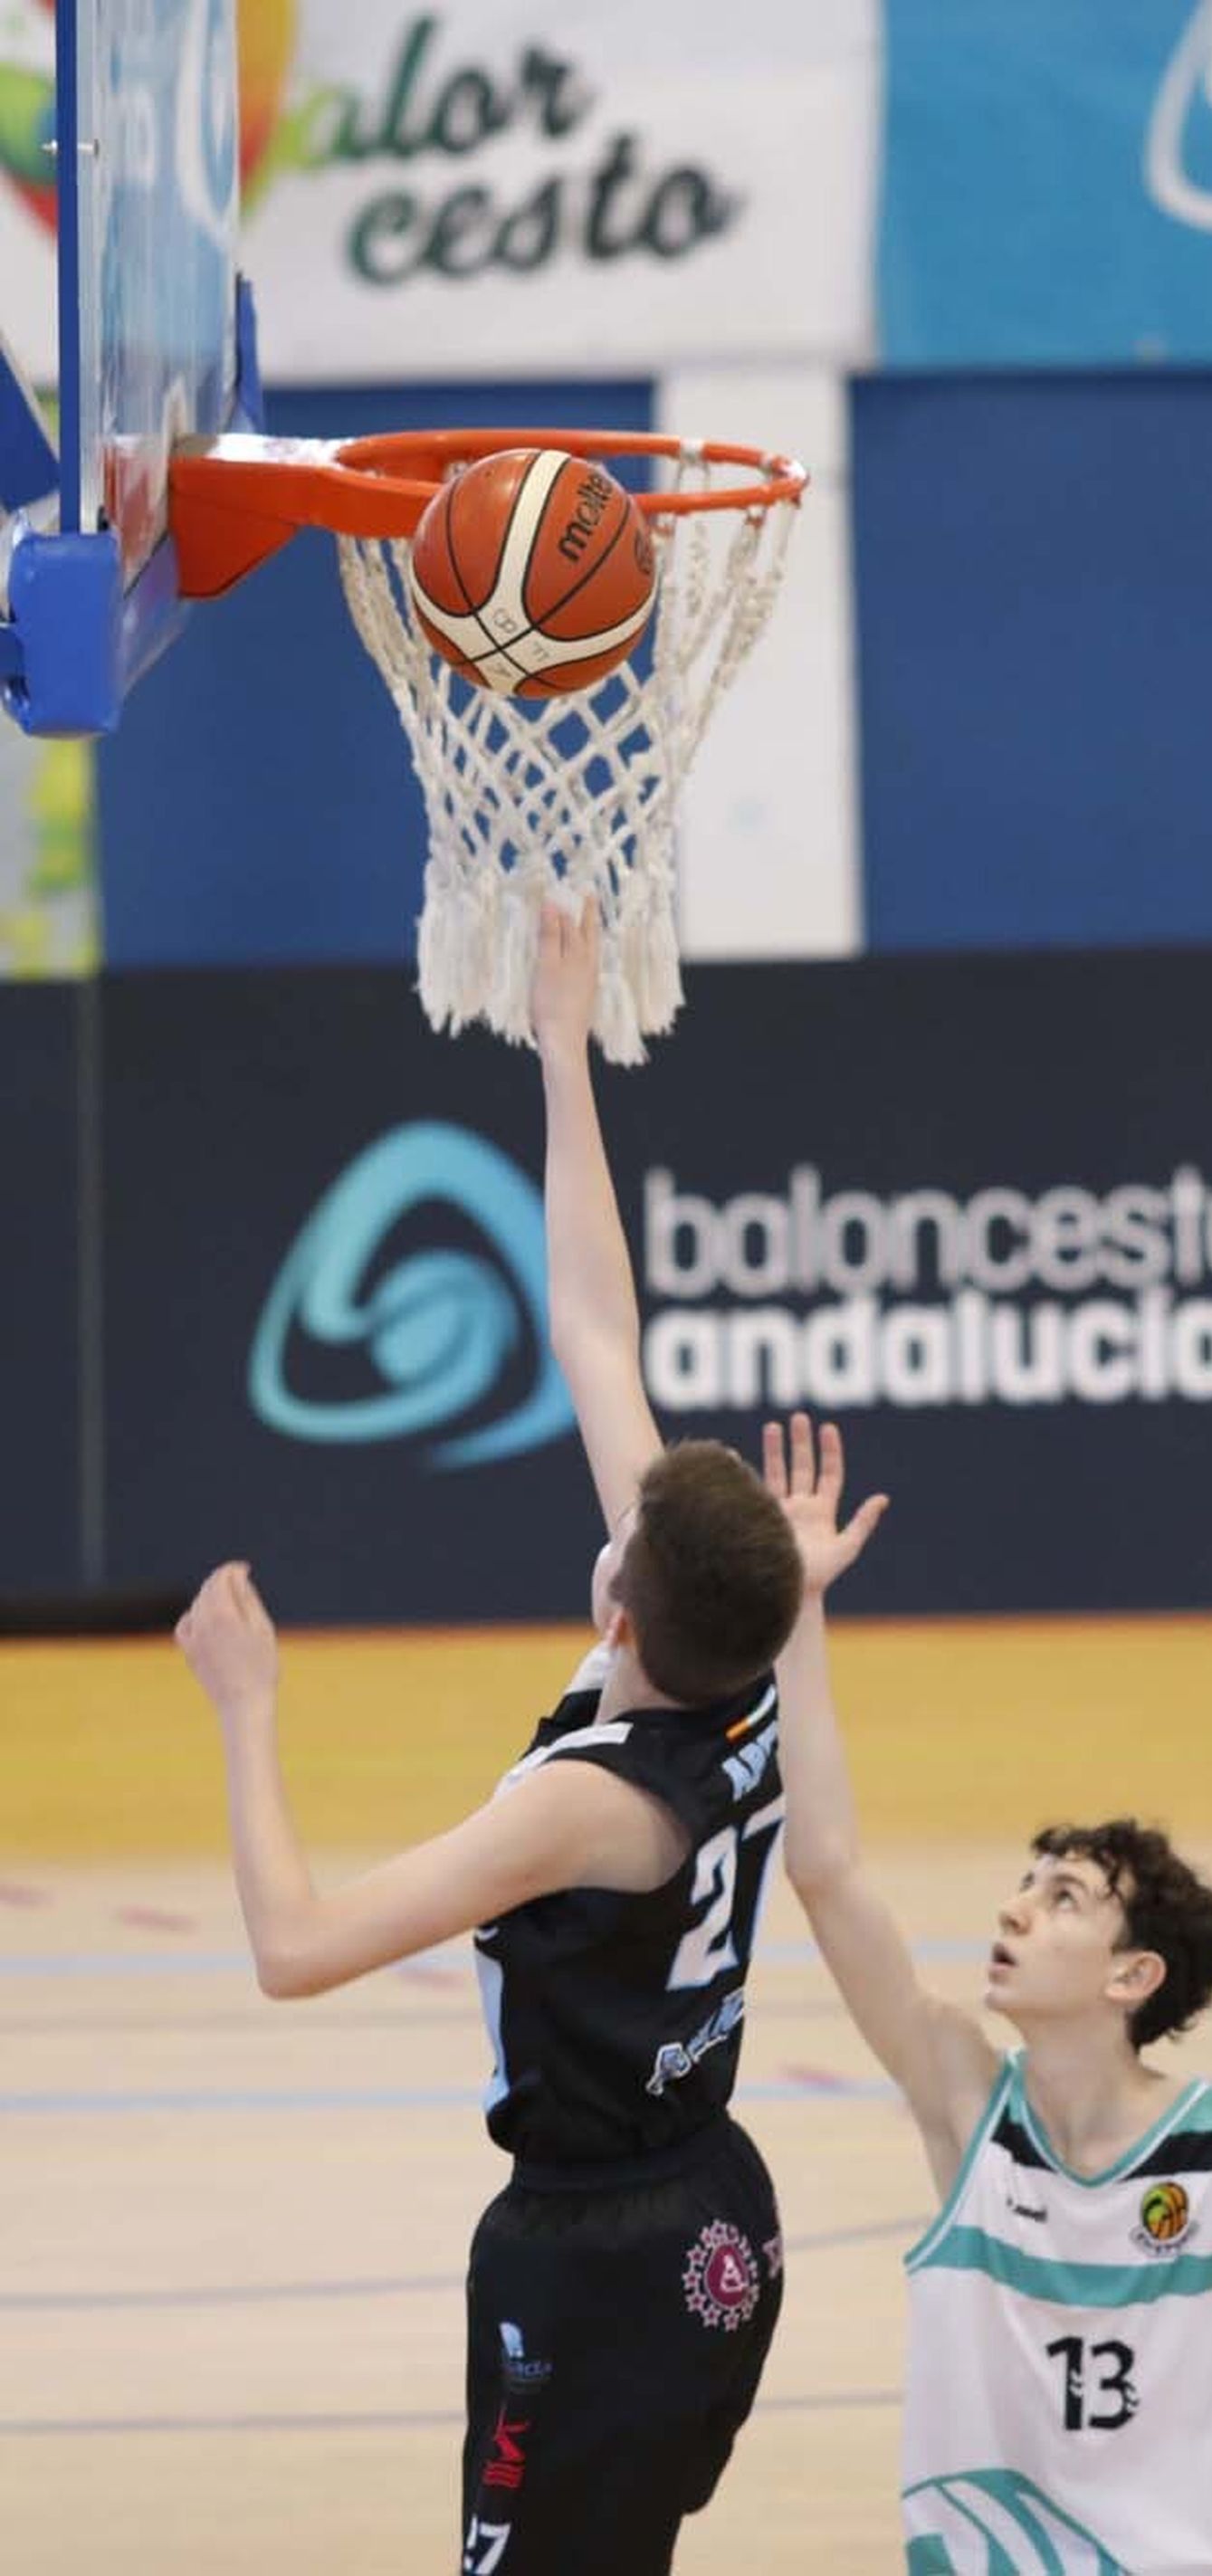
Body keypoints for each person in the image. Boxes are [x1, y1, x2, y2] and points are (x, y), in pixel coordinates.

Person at [175, 902, 801, 2576]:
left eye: (620, 1526)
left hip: (597, 2260)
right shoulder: (742, 1660)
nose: (613, 1495)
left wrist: (248, 1713)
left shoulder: (588, 1814)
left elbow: (296, 1951)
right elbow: (597, 1326)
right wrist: (561, 1048)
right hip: (720, 2210)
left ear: (618, 1609)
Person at [763, 1410, 1212, 2576]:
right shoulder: (966, 2096)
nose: (1017, 1911)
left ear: (1134, 1977)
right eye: (1023, 1887)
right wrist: (798, 1615)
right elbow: (824, 1869)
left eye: (1065, 1897)